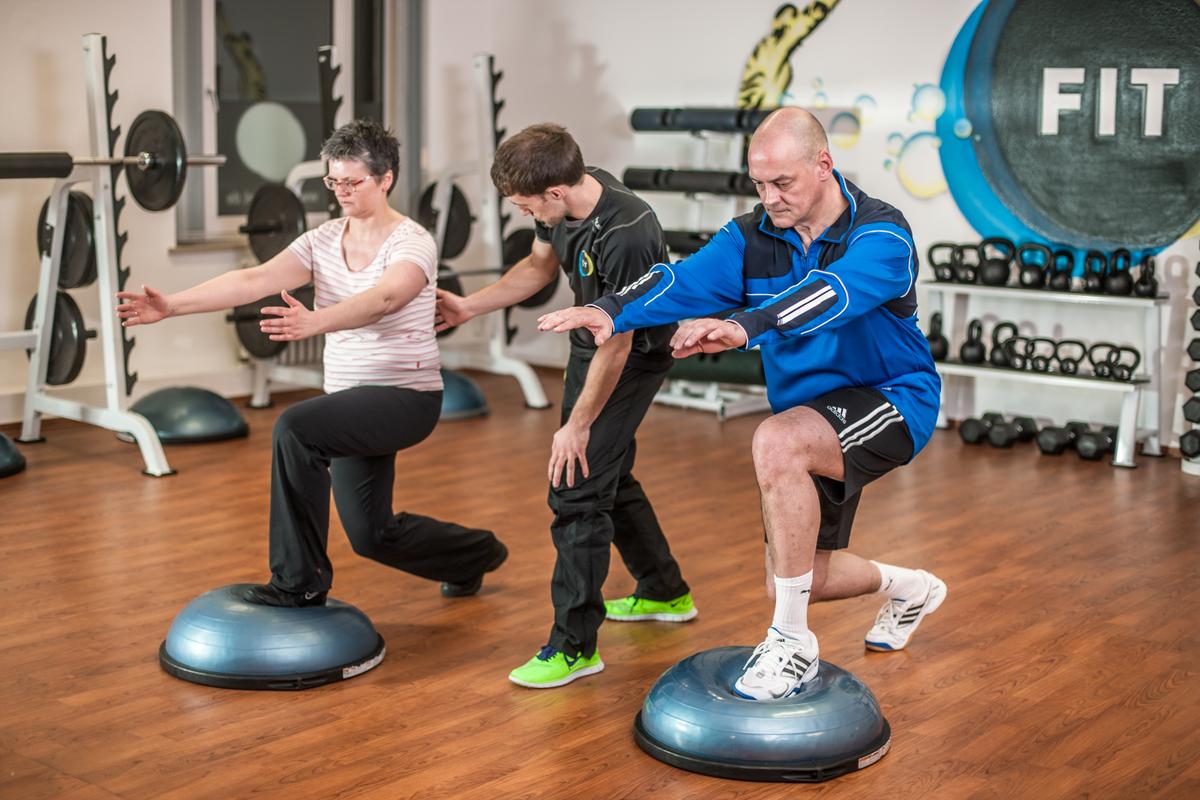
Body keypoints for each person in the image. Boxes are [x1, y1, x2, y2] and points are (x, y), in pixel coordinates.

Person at [538, 108, 947, 701]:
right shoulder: (751, 236)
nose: (769, 198)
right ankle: (912, 588)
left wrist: (744, 326)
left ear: (824, 165)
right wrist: (609, 310)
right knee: (798, 577)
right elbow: (681, 280)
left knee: (775, 441)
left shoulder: (881, 233)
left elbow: (829, 295)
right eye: (759, 184)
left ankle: (791, 642)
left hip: (892, 398)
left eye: (782, 183)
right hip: (810, 412)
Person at [116, 119, 507, 607]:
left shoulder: (412, 242)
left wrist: (315, 322)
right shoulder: (322, 239)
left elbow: (386, 298)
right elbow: (254, 279)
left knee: (295, 429)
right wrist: (172, 305)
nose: (340, 191)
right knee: (371, 535)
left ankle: (298, 582)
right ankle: (475, 555)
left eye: (352, 181)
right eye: (333, 181)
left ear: (386, 179)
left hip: (406, 397)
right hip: (349, 399)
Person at [435, 123, 695, 689]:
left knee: (576, 485)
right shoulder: (563, 199)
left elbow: (619, 342)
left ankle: (575, 646)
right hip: (589, 344)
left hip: (633, 355)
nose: (526, 213)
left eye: (526, 205)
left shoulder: (628, 231)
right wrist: (468, 307)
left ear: (555, 191)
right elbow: (538, 267)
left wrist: (577, 425)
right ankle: (664, 590)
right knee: (608, 473)